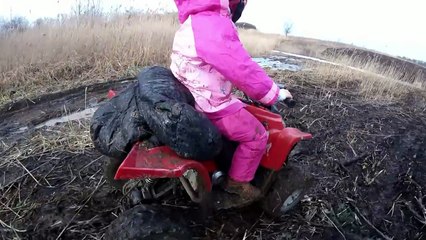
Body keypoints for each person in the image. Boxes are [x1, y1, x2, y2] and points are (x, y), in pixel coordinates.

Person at [170, 0, 293, 201]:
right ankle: (237, 183)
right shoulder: (212, 25)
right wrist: (274, 92)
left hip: (193, 93)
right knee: (258, 135)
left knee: (243, 106)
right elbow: (241, 69)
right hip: (208, 103)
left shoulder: (193, 21)